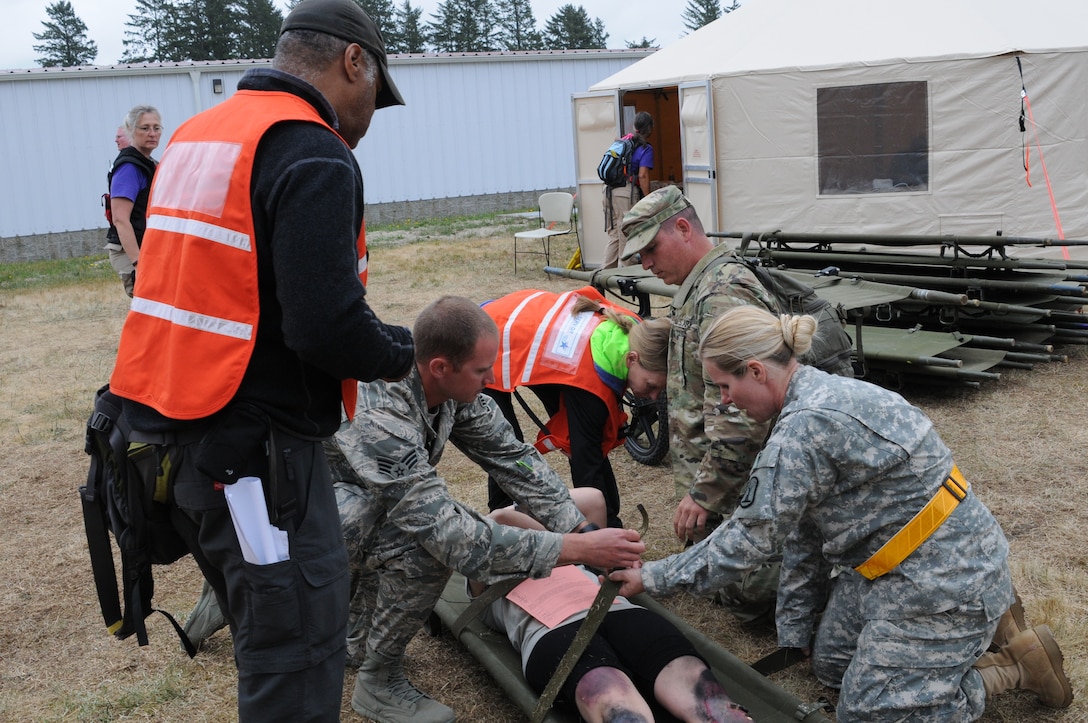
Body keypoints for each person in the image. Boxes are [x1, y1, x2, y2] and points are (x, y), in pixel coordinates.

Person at [108, 0, 415, 719]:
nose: (369, 116)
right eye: (375, 93)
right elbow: (325, 324)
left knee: (264, 625)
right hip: (257, 463)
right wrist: (402, 351)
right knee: (296, 654)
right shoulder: (311, 149)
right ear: (352, 63)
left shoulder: (194, 137)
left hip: (168, 443)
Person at [610, 306, 1073, 721]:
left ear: (756, 370)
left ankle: (1011, 669)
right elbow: (803, 535)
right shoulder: (819, 396)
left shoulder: (803, 431)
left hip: (943, 581)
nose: (725, 401)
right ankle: (973, 633)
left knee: (867, 713)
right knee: (830, 666)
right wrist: (794, 634)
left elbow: (749, 540)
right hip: (897, 566)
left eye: (726, 386)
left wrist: (652, 578)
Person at [332, 295, 646, 723]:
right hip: (303, 510)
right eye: (482, 370)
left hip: (358, 498)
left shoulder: (450, 386)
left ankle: (346, 634)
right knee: (419, 543)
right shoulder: (381, 408)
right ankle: (378, 681)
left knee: (392, 523)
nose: (492, 377)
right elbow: (450, 537)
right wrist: (576, 550)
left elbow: (513, 460)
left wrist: (581, 527)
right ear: (441, 367)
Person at [619, 185, 853, 621]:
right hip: (728, 485)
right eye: (640, 257)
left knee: (752, 591)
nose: (647, 264)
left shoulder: (721, 293)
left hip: (739, 482)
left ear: (684, 229)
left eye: (651, 248)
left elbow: (741, 413)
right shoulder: (702, 286)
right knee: (725, 583)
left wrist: (706, 495)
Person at [470, 488, 753, 723]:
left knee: (711, 704)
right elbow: (501, 518)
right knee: (619, 708)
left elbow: (592, 498)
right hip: (554, 633)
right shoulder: (483, 573)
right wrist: (568, 538)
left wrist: (551, 515)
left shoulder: (578, 551)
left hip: (618, 611)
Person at [481, 286, 670, 528]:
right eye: (651, 385)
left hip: (529, 330)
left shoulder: (634, 335)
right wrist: (607, 534)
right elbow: (586, 467)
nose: (653, 396)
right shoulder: (589, 384)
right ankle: (501, 527)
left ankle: (603, 527)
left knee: (581, 440)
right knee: (507, 448)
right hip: (490, 335)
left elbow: (591, 453)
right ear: (632, 359)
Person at [105, 105, 161, 297]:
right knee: (150, 309)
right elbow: (120, 219)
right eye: (144, 128)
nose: (152, 133)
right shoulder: (129, 168)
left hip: (149, 248)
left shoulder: (150, 163)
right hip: (133, 252)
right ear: (130, 130)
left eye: (156, 127)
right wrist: (139, 263)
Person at [601, 111, 654, 269]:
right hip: (625, 193)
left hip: (608, 190)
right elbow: (643, 175)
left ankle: (604, 275)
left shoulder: (623, 141)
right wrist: (648, 198)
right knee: (627, 233)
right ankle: (627, 273)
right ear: (650, 128)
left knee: (614, 236)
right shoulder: (645, 148)